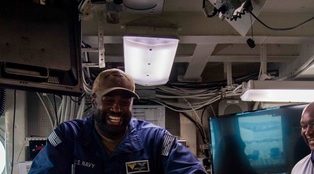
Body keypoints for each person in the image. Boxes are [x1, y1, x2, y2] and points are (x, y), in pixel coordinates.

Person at [29, 68, 207, 174]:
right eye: (108, 100)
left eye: (124, 102)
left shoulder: (156, 140)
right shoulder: (67, 137)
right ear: (94, 101)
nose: (116, 108)